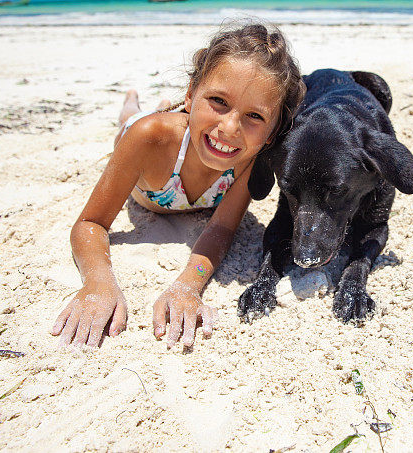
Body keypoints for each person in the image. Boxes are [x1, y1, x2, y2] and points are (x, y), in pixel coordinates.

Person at [51, 22, 305, 350]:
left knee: (166, 118)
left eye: (254, 116)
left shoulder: (250, 159)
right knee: (132, 117)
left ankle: (162, 105)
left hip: (184, 124)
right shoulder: (147, 138)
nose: (229, 127)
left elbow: (222, 229)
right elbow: (90, 223)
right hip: (150, 131)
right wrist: (98, 282)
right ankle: (132, 101)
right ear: (190, 93)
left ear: (272, 132)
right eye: (218, 101)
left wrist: (189, 285)